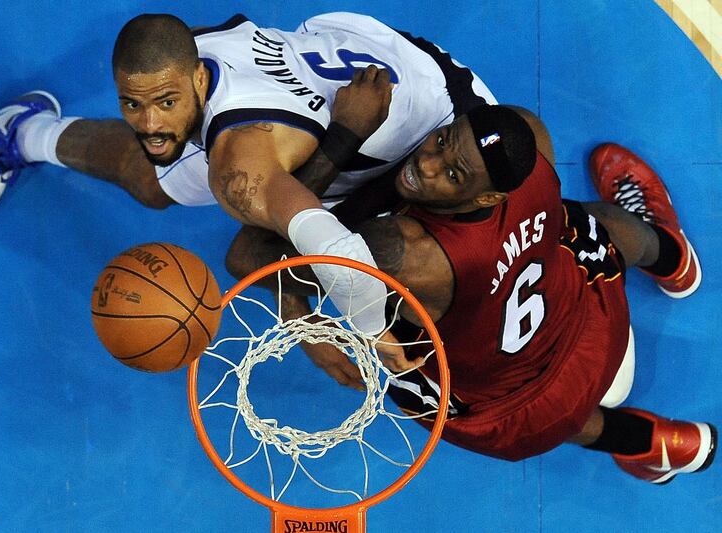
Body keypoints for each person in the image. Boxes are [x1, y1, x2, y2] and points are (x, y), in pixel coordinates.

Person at [225, 104, 715, 483]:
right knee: (589, 224)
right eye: (441, 141)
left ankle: (645, 444)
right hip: (590, 326)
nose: (427, 164)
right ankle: (673, 257)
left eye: (453, 173)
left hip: (518, 413)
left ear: (486, 198)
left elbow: (247, 254)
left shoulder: (401, 252)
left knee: (451, 375)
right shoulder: (531, 145)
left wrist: (297, 314)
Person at [0, 12, 496, 335]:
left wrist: (366, 320)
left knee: (421, 247)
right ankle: (24, 132)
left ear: (199, 78)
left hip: (430, 103)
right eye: (132, 104)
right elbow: (258, 244)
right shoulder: (190, 54)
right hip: (384, 68)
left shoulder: (237, 164)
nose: (150, 123)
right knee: (151, 178)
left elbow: (299, 241)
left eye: (166, 102)